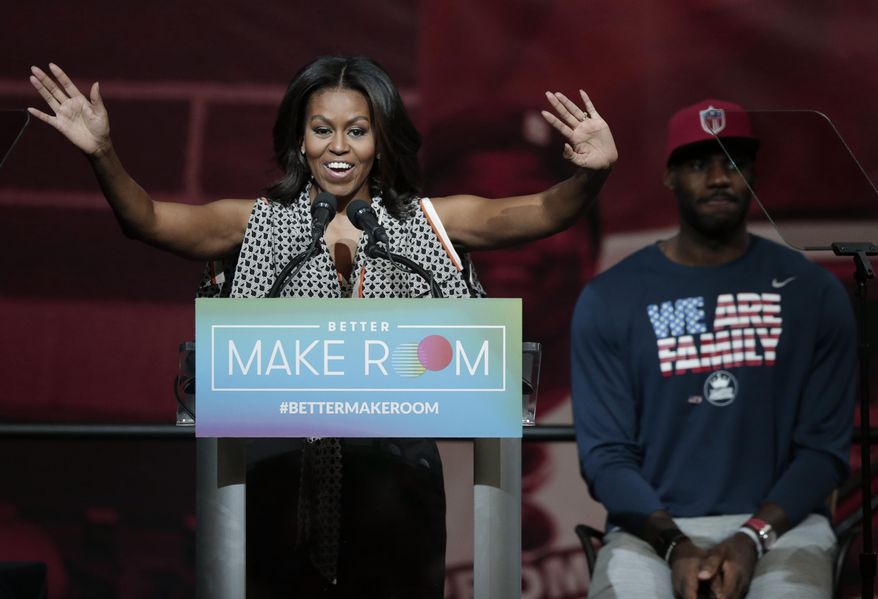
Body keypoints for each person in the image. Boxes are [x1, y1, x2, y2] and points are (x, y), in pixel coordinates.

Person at [29, 56, 618, 598]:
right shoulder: (256, 223)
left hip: (397, 486)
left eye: (357, 130)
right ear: (299, 140)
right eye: (322, 129)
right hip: (277, 483)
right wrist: (102, 153)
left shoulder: (428, 223)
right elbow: (149, 221)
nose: (339, 147)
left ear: (381, 139)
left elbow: (545, 211)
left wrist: (590, 176)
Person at [570, 99, 856, 599]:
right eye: (700, 164)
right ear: (670, 177)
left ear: (754, 174)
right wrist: (674, 544)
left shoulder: (813, 292)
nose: (720, 178)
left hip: (782, 527)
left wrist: (750, 537)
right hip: (650, 529)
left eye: (734, 163)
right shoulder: (610, 297)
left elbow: (823, 450)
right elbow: (606, 456)